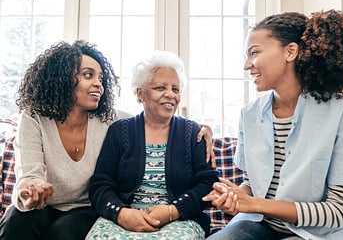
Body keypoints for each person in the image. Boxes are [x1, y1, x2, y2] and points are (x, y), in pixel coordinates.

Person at [0, 40, 214, 240]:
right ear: (62, 78)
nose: (98, 85)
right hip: (41, 206)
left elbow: (153, 119)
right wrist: (30, 191)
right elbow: (29, 175)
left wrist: (202, 129)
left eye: (100, 78)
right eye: (88, 75)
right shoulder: (34, 117)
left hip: (82, 209)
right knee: (16, 222)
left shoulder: (108, 119)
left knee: (64, 232)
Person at [203, 9, 343, 239]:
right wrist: (236, 197)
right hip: (260, 225)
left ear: (291, 51)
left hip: (320, 233)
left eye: (254, 53)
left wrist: (255, 204)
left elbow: (339, 211)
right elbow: (252, 185)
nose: (247, 65)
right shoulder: (249, 114)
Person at [85, 50, 219, 240]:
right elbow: (101, 184)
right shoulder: (120, 131)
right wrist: (121, 213)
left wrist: (173, 210)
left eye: (175, 89)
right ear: (140, 94)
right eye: (160, 88)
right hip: (126, 217)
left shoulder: (192, 132)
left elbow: (207, 183)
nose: (170, 95)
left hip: (179, 219)